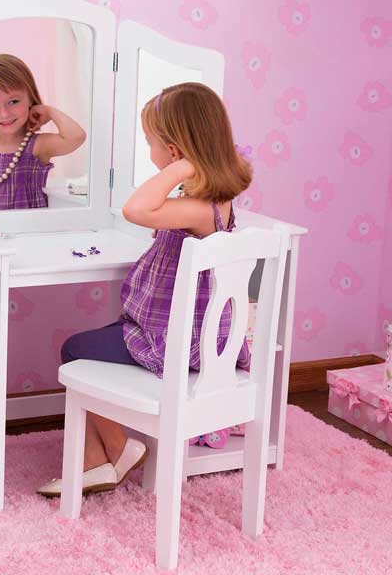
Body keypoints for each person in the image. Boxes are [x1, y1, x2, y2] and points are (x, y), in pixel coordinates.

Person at [38, 82, 252, 497]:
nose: (150, 151)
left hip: (176, 341)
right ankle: (99, 461)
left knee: (74, 350)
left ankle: (117, 452)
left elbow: (135, 209)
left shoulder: (199, 207)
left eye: (152, 143)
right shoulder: (210, 200)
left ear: (173, 150)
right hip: (186, 334)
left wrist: (181, 167)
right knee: (92, 344)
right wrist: (186, 168)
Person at [0, 53, 86, 210]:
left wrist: (49, 111)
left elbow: (76, 136)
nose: (4, 114)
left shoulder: (37, 146)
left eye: (13, 101)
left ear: (30, 98)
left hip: (28, 223)